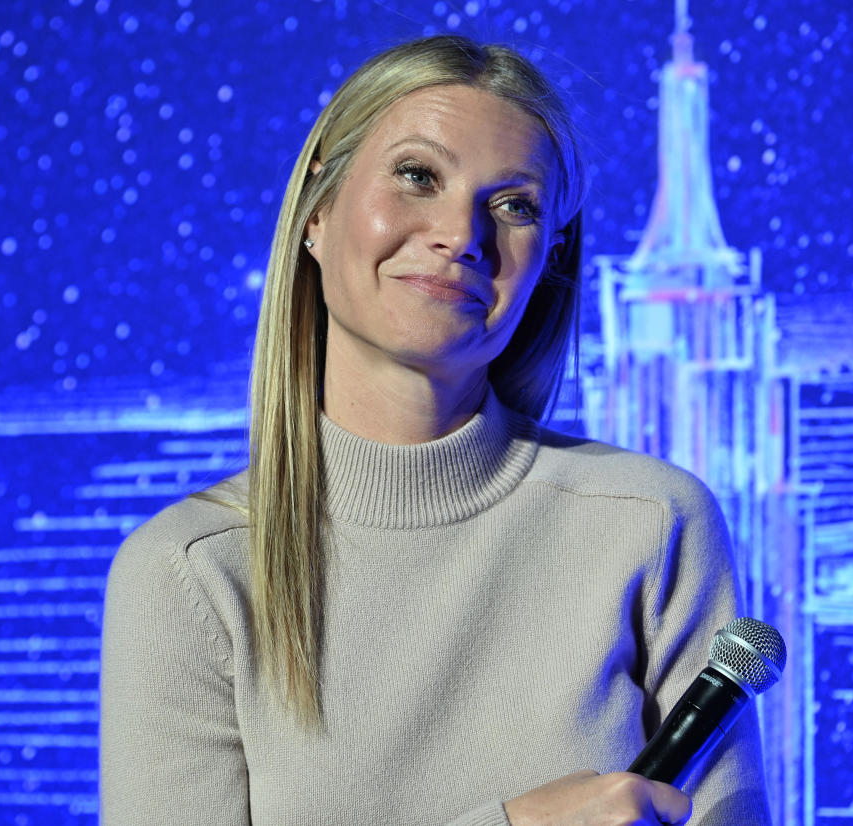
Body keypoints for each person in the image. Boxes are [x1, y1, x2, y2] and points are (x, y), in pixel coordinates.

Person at [99, 34, 770, 826]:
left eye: (513, 206)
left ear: (547, 259)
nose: (462, 235)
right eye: (417, 176)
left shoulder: (653, 523)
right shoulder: (189, 573)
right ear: (317, 210)